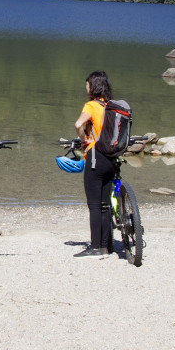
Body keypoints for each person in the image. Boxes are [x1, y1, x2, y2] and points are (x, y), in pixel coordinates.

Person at [71, 70, 117, 259]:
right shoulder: (111, 107)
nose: (86, 88)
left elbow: (78, 124)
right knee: (105, 204)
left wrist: (84, 141)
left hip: (95, 158)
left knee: (94, 205)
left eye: (88, 85)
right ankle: (106, 246)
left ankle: (95, 246)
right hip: (111, 159)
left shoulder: (91, 106)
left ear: (93, 86)